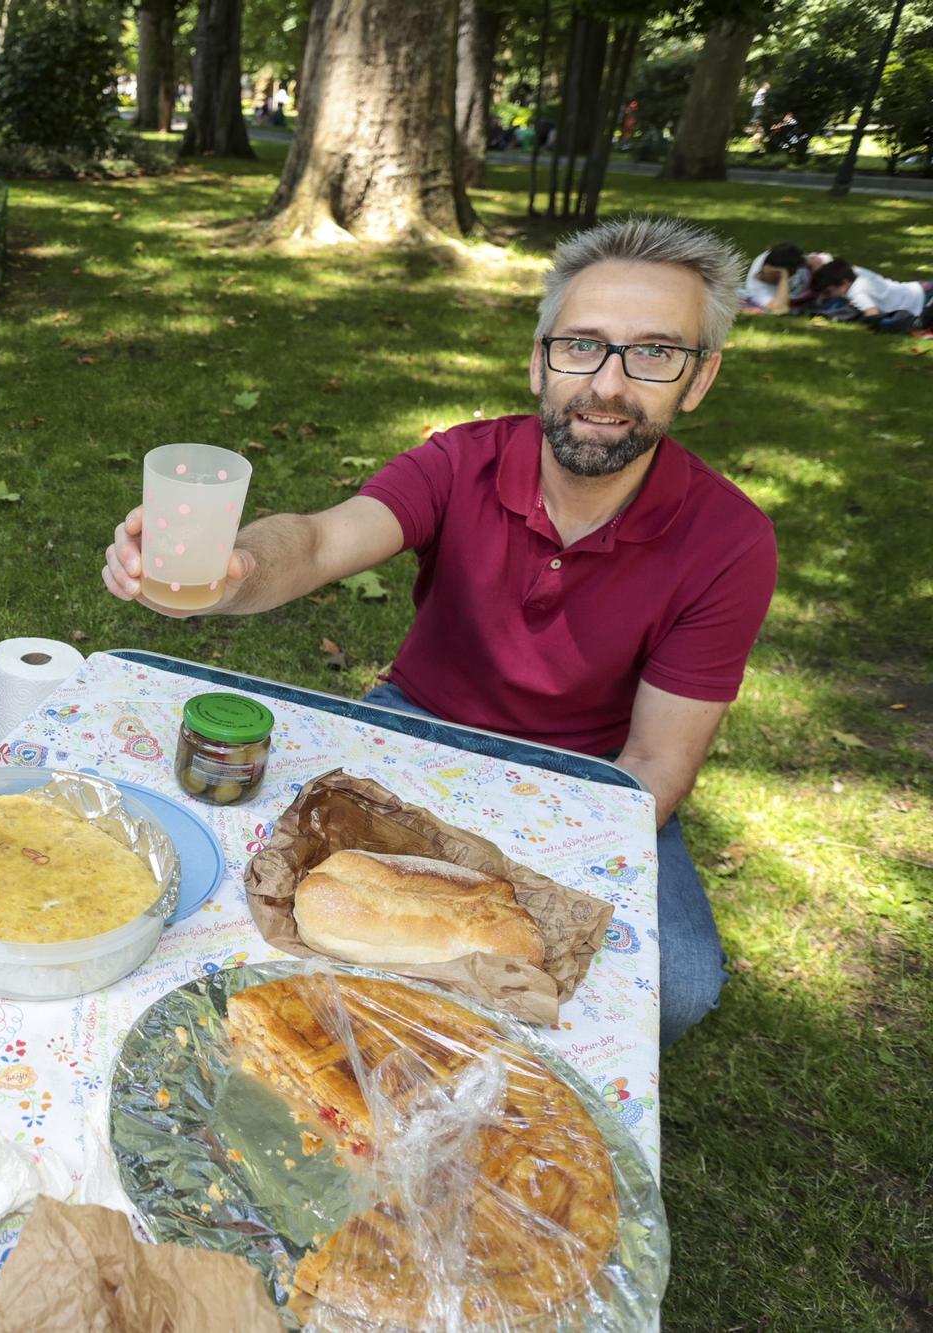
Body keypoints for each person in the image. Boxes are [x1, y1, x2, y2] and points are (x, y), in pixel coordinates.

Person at [102, 216, 778, 1051]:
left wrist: (515, 869)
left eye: (654, 353)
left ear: (698, 377)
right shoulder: (461, 460)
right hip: (418, 716)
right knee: (258, 883)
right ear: (539, 357)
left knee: (674, 988)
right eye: (583, 346)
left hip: (589, 776)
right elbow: (316, 540)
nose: (607, 384)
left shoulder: (731, 540)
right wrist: (233, 566)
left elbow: (654, 769)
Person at [807, 258, 933, 333]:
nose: (829, 297)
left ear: (844, 283)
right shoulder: (856, 271)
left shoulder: (856, 293)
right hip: (919, 288)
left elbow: (872, 313)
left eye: (829, 292)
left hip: (921, 301)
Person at [740, 242, 831, 315]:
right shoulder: (757, 290)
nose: (793, 274)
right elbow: (780, 309)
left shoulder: (771, 257)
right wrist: (784, 277)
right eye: (790, 274)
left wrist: (816, 268)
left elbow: (809, 261)